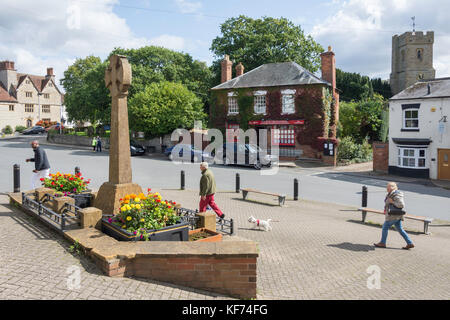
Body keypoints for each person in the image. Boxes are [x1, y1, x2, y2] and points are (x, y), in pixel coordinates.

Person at [374, 182, 414, 250]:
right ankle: (409, 243)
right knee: (400, 229)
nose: (387, 188)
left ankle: (382, 243)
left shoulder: (397, 194)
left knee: (385, 227)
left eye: (388, 187)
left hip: (393, 215)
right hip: (396, 215)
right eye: (387, 187)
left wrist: (392, 202)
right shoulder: (390, 194)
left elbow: (401, 205)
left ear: (393, 187)